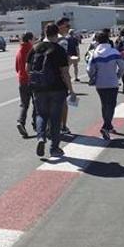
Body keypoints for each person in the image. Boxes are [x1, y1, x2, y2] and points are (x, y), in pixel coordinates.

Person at [27, 23, 75, 158]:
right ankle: (54, 148)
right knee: (55, 118)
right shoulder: (59, 49)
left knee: (41, 114)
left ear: (45, 32)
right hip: (57, 88)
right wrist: (71, 90)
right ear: (57, 33)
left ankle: (41, 137)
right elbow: (65, 72)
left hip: (38, 88)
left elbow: (28, 68)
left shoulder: (35, 48)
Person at [86, 29, 124, 141]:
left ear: (97, 41)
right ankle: (106, 126)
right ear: (108, 39)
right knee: (112, 104)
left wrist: (93, 77)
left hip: (100, 83)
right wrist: (118, 75)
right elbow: (123, 67)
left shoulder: (94, 53)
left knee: (104, 104)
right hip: (112, 82)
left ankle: (108, 125)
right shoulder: (114, 52)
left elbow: (89, 69)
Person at [14, 31, 37, 137]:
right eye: (33, 39)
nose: (34, 41)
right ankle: (36, 123)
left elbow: (17, 68)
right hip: (31, 80)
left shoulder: (19, 51)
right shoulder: (31, 50)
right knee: (36, 103)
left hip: (21, 80)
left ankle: (20, 122)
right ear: (29, 40)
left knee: (24, 104)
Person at [55, 17, 73, 134]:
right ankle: (63, 126)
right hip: (59, 76)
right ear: (60, 26)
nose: (68, 28)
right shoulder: (63, 41)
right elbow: (63, 60)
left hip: (46, 76)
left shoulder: (45, 40)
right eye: (67, 26)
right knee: (63, 103)